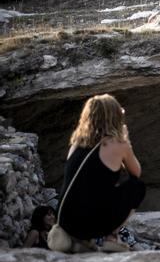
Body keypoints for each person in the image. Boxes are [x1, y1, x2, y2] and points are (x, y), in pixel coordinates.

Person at [58, 94, 146, 252]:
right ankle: (110, 237)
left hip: (66, 221)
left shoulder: (76, 143)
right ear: (116, 116)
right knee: (136, 186)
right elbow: (136, 172)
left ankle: (83, 242)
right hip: (92, 224)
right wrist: (125, 139)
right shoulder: (118, 144)